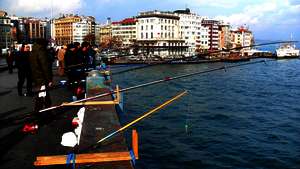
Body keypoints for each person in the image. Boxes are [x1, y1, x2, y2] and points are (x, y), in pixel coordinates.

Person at [29, 38, 53, 112]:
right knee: (42, 96)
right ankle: (40, 112)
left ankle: (45, 111)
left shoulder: (33, 51)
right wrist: (49, 79)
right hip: (42, 78)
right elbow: (45, 66)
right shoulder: (41, 51)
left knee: (43, 95)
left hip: (36, 77)